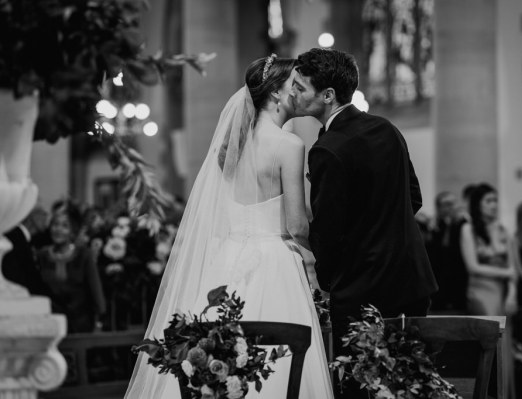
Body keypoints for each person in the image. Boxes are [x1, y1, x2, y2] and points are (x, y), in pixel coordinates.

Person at [125, 55, 334, 399]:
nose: (300, 92)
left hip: (226, 260)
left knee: (217, 352)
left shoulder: (232, 148)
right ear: (276, 95)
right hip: (273, 261)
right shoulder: (289, 145)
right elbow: (297, 226)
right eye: (293, 86)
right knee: (277, 358)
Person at [291, 47, 438, 398]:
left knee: (359, 389)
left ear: (327, 96)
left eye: (300, 86)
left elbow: (329, 231)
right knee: (410, 386)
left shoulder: (327, 148)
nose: (293, 93)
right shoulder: (386, 128)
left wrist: (328, 282)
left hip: (362, 295)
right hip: (412, 283)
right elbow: (413, 198)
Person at [459, 182, 516, 398]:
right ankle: (488, 392)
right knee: (491, 344)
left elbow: (513, 269)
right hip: (481, 292)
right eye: (488, 201)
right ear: (478, 204)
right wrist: (506, 274)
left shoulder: (503, 230)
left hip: (503, 294)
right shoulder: (468, 229)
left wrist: (512, 294)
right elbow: (473, 267)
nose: (493, 205)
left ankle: (504, 392)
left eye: (495, 200)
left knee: (506, 346)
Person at [37, 202, 106, 333]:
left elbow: (96, 293)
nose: (58, 230)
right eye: (55, 224)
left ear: (73, 231)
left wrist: (99, 319)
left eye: (64, 226)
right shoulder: (42, 256)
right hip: (50, 325)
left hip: (80, 325)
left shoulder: (84, 255)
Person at [428, 191, 468, 312]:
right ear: (439, 207)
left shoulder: (463, 224)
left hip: (459, 281)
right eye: (447, 204)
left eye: (453, 203)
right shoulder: (433, 227)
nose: (452, 207)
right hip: (439, 282)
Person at [2, 205, 52, 297]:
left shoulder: (26, 239)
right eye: (44, 214)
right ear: (33, 216)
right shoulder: (15, 238)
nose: (48, 219)